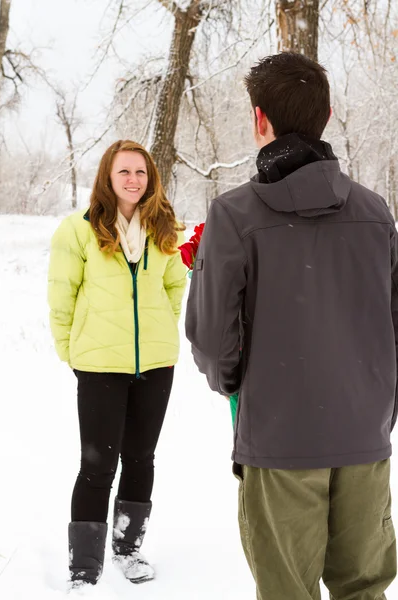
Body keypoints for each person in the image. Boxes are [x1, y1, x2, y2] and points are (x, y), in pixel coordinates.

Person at [185, 52, 397, 599]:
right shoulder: (377, 214)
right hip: (363, 439)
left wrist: (240, 387)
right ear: (327, 115)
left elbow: (211, 341)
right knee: (365, 590)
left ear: (259, 119)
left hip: (280, 440)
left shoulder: (235, 215)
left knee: (286, 592)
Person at [48, 140, 187, 589]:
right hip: (99, 365)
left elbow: (174, 288)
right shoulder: (79, 229)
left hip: (156, 364)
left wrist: (161, 329)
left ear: (151, 179)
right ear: (108, 177)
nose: (133, 180)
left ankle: (128, 548)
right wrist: (71, 349)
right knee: (96, 465)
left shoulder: (165, 229)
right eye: (124, 172)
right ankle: (84, 569)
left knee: (141, 458)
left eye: (141, 173)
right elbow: (61, 295)